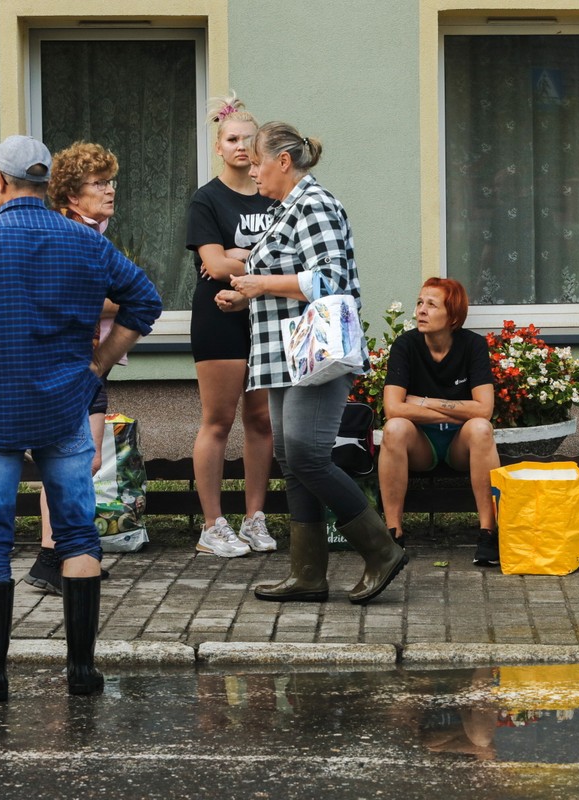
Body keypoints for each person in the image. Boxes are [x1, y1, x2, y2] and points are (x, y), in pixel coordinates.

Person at [0, 135, 162, 701]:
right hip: (66, 405)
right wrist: (99, 366)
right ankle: (81, 672)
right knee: (78, 534)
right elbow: (146, 302)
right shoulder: (84, 241)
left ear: (2, 182)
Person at [214, 121, 407, 605]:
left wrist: (260, 285)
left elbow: (329, 279)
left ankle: (381, 549)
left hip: (315, 355)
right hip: (284, 355)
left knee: (306, 455)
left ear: (283, 161)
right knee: (291, 460)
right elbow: (281, 276)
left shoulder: (316, 204)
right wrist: (246, 295)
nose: (251, 170)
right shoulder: (285, 209)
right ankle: (307, 575)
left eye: (257, 161)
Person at [24, 141, 123, 594]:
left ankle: (67, 554)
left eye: (110, 181)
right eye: (98, 184)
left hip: (88, 367)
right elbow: (66, 298)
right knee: (69, 460)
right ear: (70, 195)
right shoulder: (67, 235)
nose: (109, 191)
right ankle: (53, 556)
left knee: (85, 459)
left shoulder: (94, 233)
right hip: (66, 367)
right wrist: (118, 300)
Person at [186, 93, 275, 559]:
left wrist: (238, 255)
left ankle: (255, 518)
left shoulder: (273, 192)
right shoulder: (207, 199)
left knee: (260, 419)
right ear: (218, 147)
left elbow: (289, 258)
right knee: (218, 421)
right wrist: (233, 259)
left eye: (248, 139)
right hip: (218, 317)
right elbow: (214, 265)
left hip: (264, 316)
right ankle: (212, 525)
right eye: (232, 139)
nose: (241, 146)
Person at [378, 277, 501, 565]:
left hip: (461, 443)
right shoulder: (405, 345)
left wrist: (423, 401)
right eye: (420, 303)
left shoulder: (473, 346)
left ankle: (488, 534)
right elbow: (393, 409)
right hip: (421, 443)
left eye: (431, 305)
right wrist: (460, 408)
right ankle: (392, 536)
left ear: (453, 316)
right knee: (394, 429)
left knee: (481, 429)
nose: (421, 310)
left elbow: (484, 411)